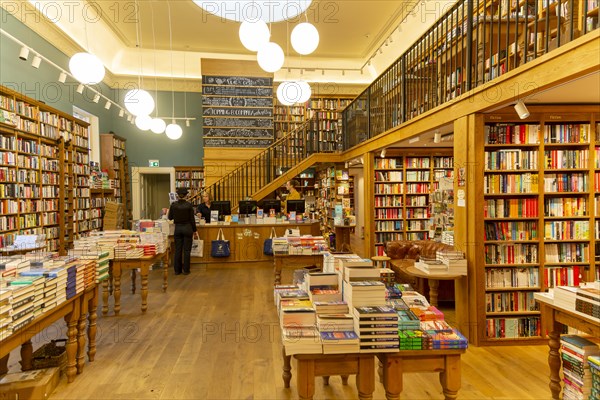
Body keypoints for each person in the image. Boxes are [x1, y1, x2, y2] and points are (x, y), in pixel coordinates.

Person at [168, 187, 197, 275]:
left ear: (178, 195)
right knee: (187, 250)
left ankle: (177, 270)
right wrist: (195, 230)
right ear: (186, 195)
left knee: (178, 250)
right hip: (188, 228)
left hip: (178, 228)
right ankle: (186, 270)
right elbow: (192, 219)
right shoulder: (189, 205)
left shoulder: (173, 205)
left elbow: (170, 217)